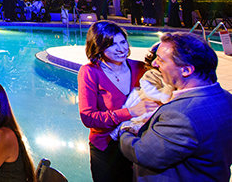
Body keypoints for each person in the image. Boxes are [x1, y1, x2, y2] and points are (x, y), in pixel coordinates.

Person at [120, 33, 232, 181]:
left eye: (161, 60)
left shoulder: (180, 114)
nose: (154, 64)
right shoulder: (226, 98)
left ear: (186, 70)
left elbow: (144, 153)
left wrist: (126, 130)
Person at [77, 21, 151, 182]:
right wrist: (129, 112)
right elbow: (88, 117)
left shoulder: (140, 68)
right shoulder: (90, 72)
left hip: (136, 145)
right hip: (106, 147)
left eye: (123, 42)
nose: (121, 49)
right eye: (111, 44)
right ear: (98, 47)